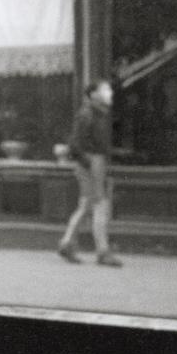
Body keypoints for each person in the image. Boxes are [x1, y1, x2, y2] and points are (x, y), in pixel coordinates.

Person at [58, 79, 122, 267]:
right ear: (93, 95)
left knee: (86, 205)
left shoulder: (96, 113)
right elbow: (75, 144)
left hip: (93, 162)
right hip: (91, 163)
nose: (109, 93)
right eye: (105, 90)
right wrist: (90, 165)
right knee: (100, 204)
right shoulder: (88, 114)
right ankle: (102, 251)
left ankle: (67, 243)